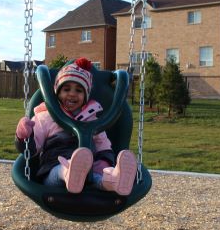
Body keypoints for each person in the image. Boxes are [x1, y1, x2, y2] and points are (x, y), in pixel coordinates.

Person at [15, 57, 137, 195]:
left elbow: (103, 144)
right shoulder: (46, 117)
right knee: (62, 169)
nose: (72, 94)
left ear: (86, 96)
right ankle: (70, 173)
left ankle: (116, 181)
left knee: (99, 177)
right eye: (66, 89)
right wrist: (24, 134)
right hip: (53, 170)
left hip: (88, 173)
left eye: (79, 90)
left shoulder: (92, 119)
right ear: (57, 92)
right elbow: (31, 150)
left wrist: (103, 163)